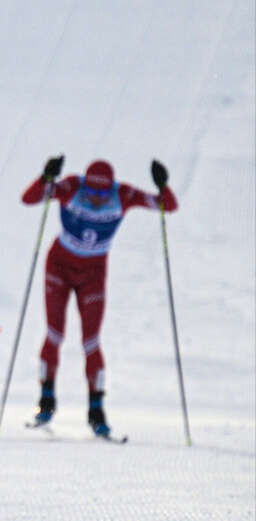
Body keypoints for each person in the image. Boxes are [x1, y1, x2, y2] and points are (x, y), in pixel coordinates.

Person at [23, 156, 178, 437]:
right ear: (84, 185)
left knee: (91, 342)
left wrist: (163, 185)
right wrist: (46, 177)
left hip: (93, 274)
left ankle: (96, 411)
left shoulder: (123, 195)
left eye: (101, 194)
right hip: (58, 267)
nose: (95, 198)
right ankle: (46, 401)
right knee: (55, 335)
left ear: (111, 188)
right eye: (91, 192)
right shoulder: (71, 187)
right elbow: (28, 198)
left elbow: (168, 206)